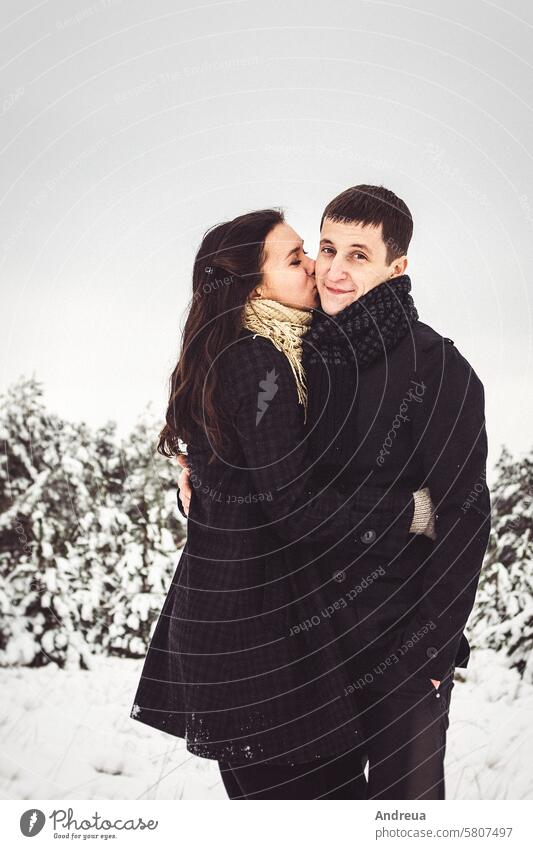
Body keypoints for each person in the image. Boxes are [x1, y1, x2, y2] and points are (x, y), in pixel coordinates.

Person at [178, 186, 491, 799]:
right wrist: (198, 476)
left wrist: (433, 650)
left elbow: (464, 517)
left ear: (396, 267)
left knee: (409, 820)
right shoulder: (293, 352)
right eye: (325, 249)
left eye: (358, 255)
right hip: (308, 651)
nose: (334, 270)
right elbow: (257, 469)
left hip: (401, 644)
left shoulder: (440, 369)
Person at [129, 207, 436, 799]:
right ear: (253, 283)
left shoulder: (268, 350)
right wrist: (411, 512)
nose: (316, 267)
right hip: (259, 646)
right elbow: (294, 507)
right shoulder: (259, 359)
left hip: (251, 629)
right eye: (296, 257)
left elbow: (240, 479)